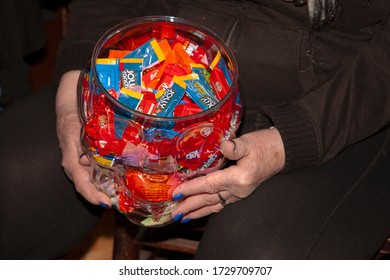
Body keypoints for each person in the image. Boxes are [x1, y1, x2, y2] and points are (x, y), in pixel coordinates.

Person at [2, 0, 390, 259]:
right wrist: (74, 95)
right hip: (141, 65)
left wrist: (290, 140)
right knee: (11, 181)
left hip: (341, 98)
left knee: (250, 252)